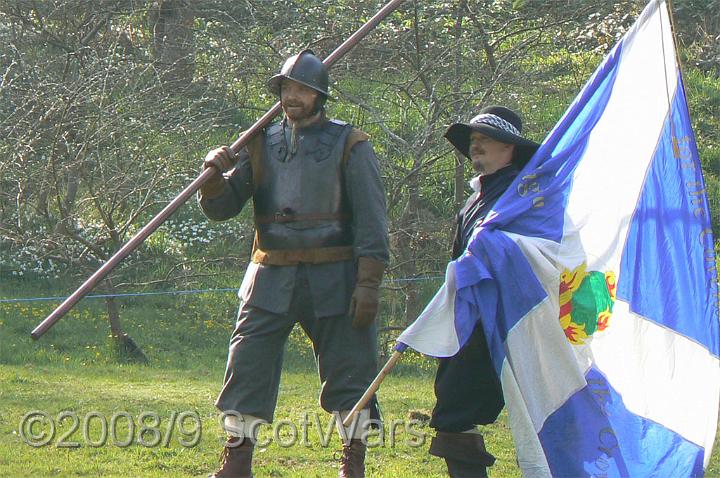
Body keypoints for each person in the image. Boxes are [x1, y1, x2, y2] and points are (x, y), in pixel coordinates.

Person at [199, 50, 389, 478]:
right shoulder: (258, 142)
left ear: (319, 95)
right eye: (287, 88)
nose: (293, 96)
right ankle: (237, 461)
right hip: (269, 274)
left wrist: (369, 282)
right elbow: (224, 207)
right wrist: (212, 182)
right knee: (246, 364)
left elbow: (372, 219)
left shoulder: (351, 143)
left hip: (336, 276)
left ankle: (352, 462)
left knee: (350, 371)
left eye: (302, 89)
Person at [428, 106, 540, 478]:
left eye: (484, 140)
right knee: (453, 413)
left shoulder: (527, 196)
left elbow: (538, 254)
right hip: (473, 323)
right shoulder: (473, 201)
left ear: (509, 148)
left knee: (548, 417)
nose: (475, 147)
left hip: (514, 322)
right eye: (472, 141)